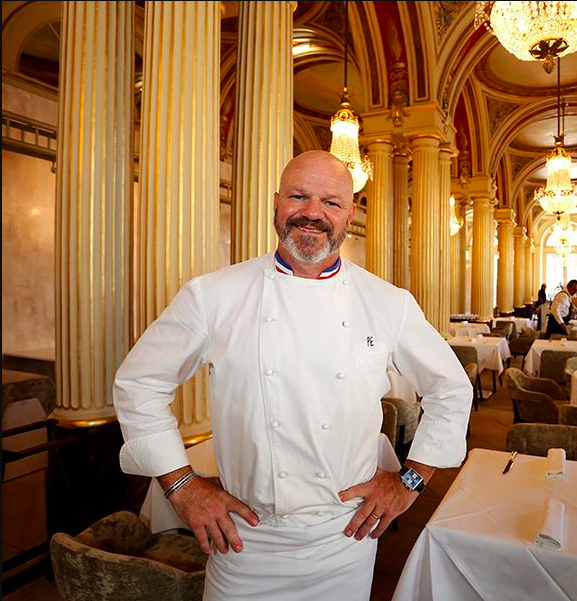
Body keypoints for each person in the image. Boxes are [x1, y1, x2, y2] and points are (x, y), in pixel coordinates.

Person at [113, 150, 472, 600]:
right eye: (299, 196)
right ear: (276, 203)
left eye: (331, 202)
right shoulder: (213, 296)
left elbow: (452, 390)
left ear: (350, 213)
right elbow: (138, 384)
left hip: (346, 538)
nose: (312, 213)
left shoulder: (388, 303)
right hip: (244, 540)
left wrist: (409, 483)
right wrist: (182, 487)